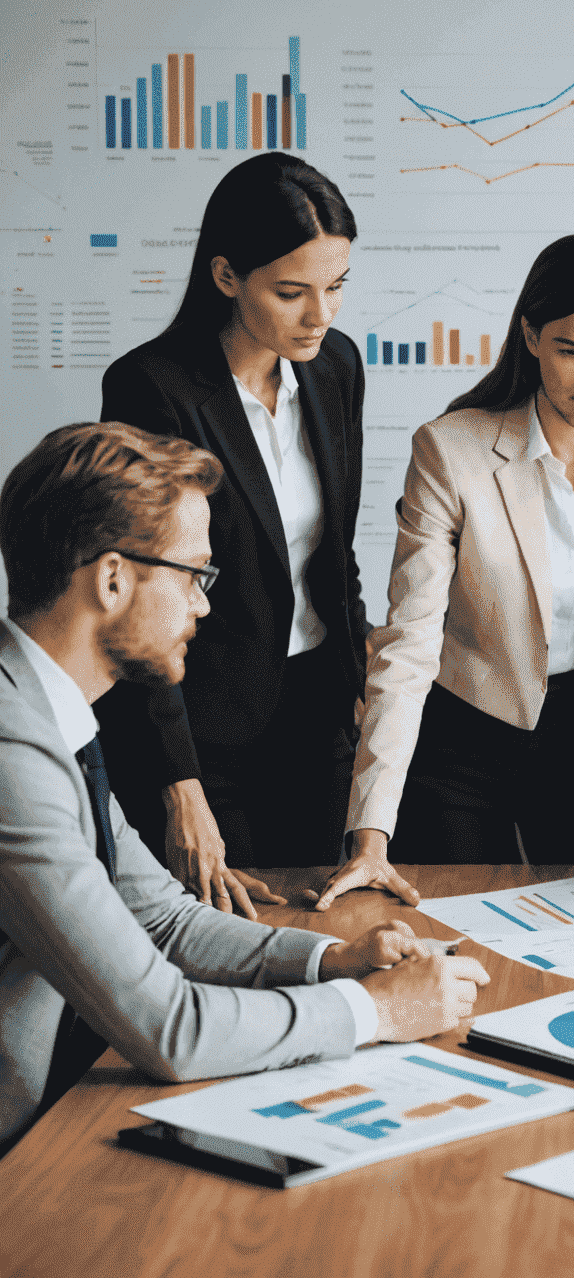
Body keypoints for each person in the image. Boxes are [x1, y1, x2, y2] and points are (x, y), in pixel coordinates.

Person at [0, 422, 489, 1155]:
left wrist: (333, 961)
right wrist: (375, 1010)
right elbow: (171, 1029)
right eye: (194, 574)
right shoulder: (13, 747)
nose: (203, 606)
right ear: (111, 578)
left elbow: (164, 921)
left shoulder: (47, 713)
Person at [316, 232, 574, 909]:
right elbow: (409, 644)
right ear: (530, 335)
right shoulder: (450, 450)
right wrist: (369, 834)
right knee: (463, 934)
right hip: (461, 737)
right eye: (573, 351)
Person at [96, 153, 370, 913]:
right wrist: (176, 781)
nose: (321, 315)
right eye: (292, 293)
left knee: (321, 929)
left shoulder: (334, 367)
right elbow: (139, 597)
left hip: (317, 724)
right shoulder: (152, 388)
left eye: (336, 287)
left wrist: (357, 681)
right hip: (202, 729)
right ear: (225, 276)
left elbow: (331, 549)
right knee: (223, 942)